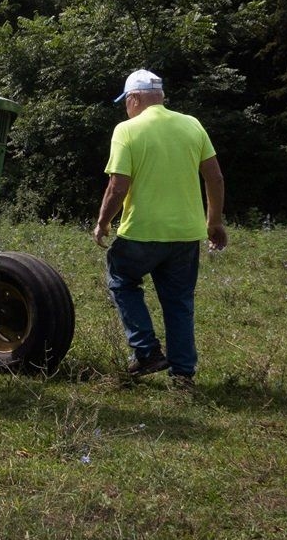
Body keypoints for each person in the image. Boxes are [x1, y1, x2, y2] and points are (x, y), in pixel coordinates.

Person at [92, 69, 227, 388]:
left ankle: (146, 351)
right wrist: (214, 222)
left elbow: (118, 185)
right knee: (179, 301)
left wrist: (102, 222)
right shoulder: (192, 125)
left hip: (142, 233)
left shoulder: (126, 130)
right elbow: (215, 177)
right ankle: (183, 376)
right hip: (185, 237)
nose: (126, 107)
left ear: (135, 99)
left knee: (122, 279)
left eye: (126, 101)